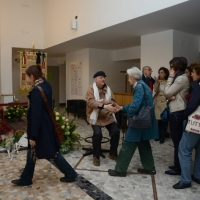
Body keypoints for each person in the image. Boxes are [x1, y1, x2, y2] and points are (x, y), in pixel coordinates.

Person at [11, 65, 77, 186]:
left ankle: (71, 173)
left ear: (32, 76)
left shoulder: (37, 90)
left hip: (41, 128)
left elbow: (36, 115)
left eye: (28, 77)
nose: (28, 80)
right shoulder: (46, 85)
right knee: (33, 152)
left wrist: (33, 136)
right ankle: (26, 178)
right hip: (47, 124)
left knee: (51, 153)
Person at [108, 67, 158, 177]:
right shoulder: (143, 85)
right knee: (143, 143)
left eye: (129, 78)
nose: (128, 80)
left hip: (139, 121)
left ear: (133, 77)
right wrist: (121, 107)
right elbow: (138, 104)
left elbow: (135, 106)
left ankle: (120, 170)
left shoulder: (139, 87)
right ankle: (150, 168)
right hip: (146, 119)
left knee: (128, 144)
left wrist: (129, 118)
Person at [173, 62, 200, 189]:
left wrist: (184, 114)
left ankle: (185, 180)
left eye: (193, 73)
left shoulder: (197, 86)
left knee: (184, 149)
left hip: (196, 123)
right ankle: (197, 176)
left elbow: (193, 104)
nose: (192, 75)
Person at [86, 71, 120, 166]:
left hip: (107, 116)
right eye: (101, 77)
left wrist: (108, 101)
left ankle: (113, 153)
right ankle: (96, 156)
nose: (103, 79)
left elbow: (113, 101)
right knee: (98, 134)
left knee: (116, 132)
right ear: (95, 79)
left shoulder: (108, 89)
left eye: (104, 77)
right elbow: (90, 102)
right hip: (95, 116)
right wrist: (104, 105)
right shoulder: (90, 89)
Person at [164, 57, 190, 175]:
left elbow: (167, 92)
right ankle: (177, 164)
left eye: (171, 66)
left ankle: (178, 168)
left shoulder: (181, 78)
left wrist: (169, 77)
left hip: (178, 112)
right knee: (176, 141)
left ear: (177, 66)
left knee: (177, 141)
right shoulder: (179, 77)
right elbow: (168, 94)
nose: (170, 69)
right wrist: (169, 96)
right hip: (175, 110)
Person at [154, 67, 169, 143]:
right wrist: (157, 82)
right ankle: (159, 135)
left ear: (165, 73)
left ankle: (162, 137)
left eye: (162, 72)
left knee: (164, 120)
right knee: (159, 120)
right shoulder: (158, 81)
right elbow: (156, 90)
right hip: (158, 103)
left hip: (165, 102)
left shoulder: (168, 82)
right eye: (159, 72)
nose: (160, 74)